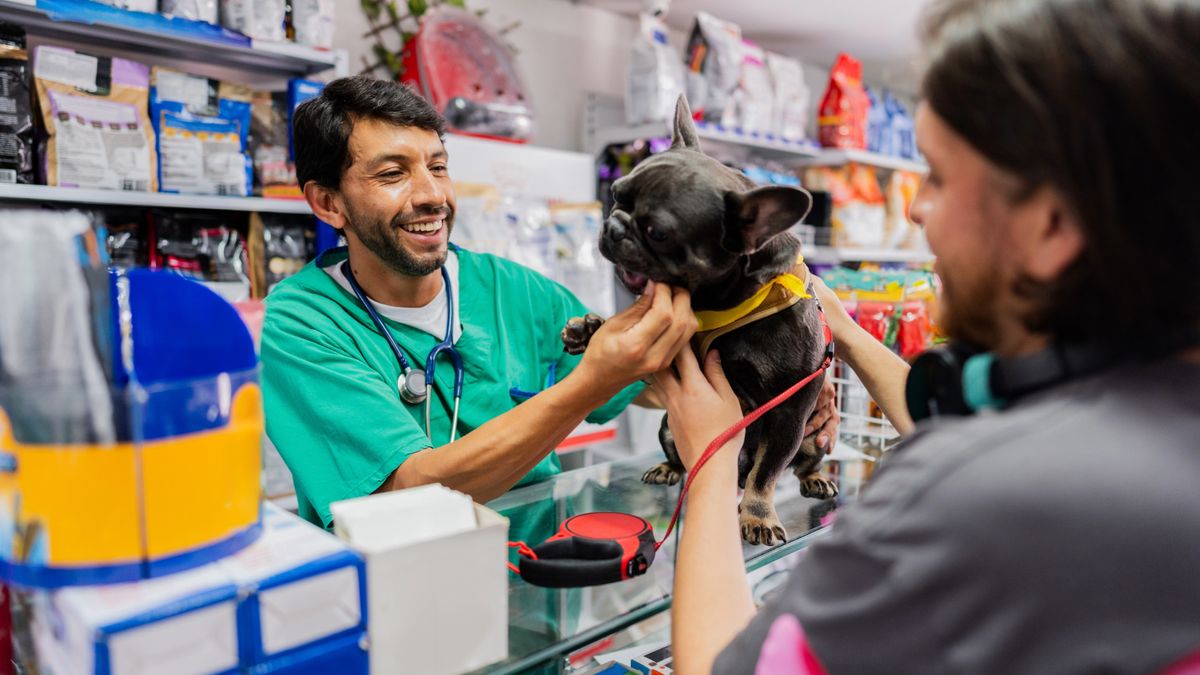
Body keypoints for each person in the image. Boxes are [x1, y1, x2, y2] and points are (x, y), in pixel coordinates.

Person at [658, 0, 1200, 672]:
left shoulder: (966, 500)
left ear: (1053, 223)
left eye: (939, 177)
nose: (915, 209)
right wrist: (845, 333)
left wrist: (711, 457)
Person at [259, 76, 702, 528]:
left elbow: (644, 385)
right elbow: (405, 494)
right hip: (400, 590)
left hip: (532, 580)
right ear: (329, 202)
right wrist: (589, 382)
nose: (432, 195)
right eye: (393, 174)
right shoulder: (300, 324)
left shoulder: (515, 289)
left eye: (437, 167)